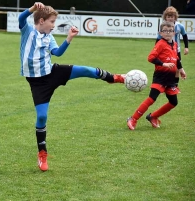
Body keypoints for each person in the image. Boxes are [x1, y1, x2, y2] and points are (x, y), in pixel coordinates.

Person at [18, 2, 124, 171]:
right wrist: (32, 9)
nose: (53, 25)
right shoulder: (28, 31)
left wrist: (69, 38)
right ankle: (42, 154)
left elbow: (57, 53)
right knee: (42, 118)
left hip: (52, 73)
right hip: (38, 84)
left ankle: (114, 78)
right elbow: (21, 17)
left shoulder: (49, 38)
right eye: (52, 22)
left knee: (85, 70)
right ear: (42, 20)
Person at [127, 21, 187, 130]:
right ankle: (133, 119)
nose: (168, 33)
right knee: (152, 98)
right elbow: (150, 58)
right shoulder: (160, 43)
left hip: (171, 78)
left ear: (174, 33)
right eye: (165, 31)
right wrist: (163, 64)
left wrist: (181, 69)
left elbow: (176, 59)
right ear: (161, 33)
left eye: (170, 31)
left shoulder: (175, 44)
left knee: (173, 102)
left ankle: (153, 116)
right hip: (160, 77)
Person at [156, 6, 189, 88]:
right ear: (165, 17)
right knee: (165, 66)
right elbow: (158, 39)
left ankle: (175, 85)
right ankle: (163, 83)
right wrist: (156, 50)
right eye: (168, 16)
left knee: (177, 67)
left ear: (175, 17)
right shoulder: (163, 26)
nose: (170, 18)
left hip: (176, 50)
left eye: (172, 16)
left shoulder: (179, 26)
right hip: (165, 50)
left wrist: (186, 47)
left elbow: (185, 36)